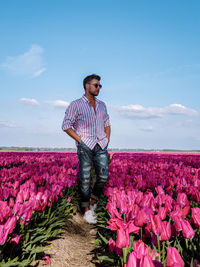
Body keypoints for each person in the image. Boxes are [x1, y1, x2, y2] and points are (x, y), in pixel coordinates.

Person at [61, 74, 111, 224]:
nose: (99, 88)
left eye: (100, 86)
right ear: (87, 86)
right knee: (85, 179)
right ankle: (86, 209)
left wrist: (107, 139)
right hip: (85, 145)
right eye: (96, 85)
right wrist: (80, 141)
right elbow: (65, 125)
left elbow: (107, 122)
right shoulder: (75, 104)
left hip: (101, 144)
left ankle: (93, 202)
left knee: (103, 177)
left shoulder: (102, 104)